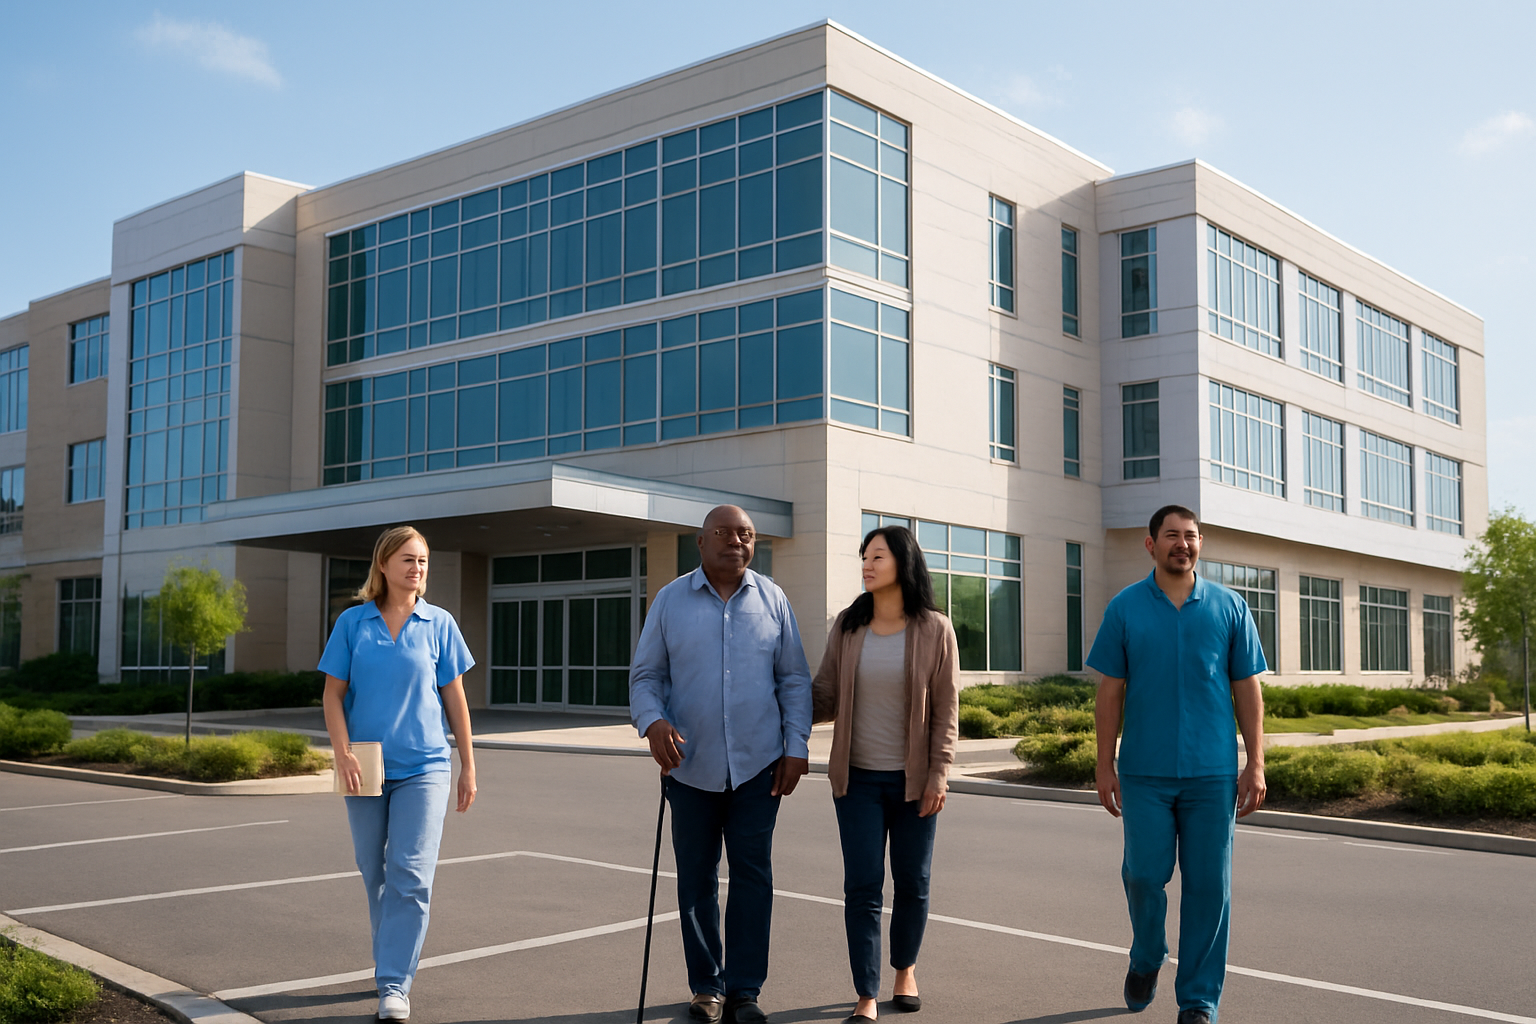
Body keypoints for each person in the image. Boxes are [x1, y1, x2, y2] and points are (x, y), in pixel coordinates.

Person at [629, 504, 813, 1024]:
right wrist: (652, 722)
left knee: (753, 876)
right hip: (690, 768)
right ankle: (706, 987)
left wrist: (796, 746)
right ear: (702, 542)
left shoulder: (773, 598)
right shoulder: (669, 601)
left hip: (760, 767)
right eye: (726, 533)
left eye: (748, 535)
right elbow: (646, 676)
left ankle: (746, 990)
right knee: (696, 879)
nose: (738, 541)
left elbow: (794, 679)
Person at [1087, 505, 1266, 1024]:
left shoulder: (1230, 607)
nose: (1181, 544)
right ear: (1151, 545)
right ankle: (1147, 955)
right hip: (1145, 772)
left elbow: (1247, 689)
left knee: (1210, 887)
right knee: (1144, 875)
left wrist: (1255, 762)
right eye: (1171, 536)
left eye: (1190, 536)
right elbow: (1110, 692)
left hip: (1213, 774)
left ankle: (1198, 1001)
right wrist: (1105, 764)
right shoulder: (1124, 608)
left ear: (1201, 543)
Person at [320, 525, 477, 1022]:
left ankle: (394, 984)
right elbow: (332, 695)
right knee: (375, 873)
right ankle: (391, 957)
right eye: (408, 560)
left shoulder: (440, 623)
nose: (417, 569)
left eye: (423, 561)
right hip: (365, 765)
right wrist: (342, 753)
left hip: (426, 766)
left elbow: (455, 697)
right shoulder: (352, 622)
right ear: (383, 565)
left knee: (410, 873)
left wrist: (468, 764)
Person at [811, 527, 959, 1023]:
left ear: (903, 562)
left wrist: (939, 773)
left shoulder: (936, 629)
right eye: (864, 557)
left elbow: (945, 711)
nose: (867, 565)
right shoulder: (849, 627)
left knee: (913, 882)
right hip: (856, 782)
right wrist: (774, 698)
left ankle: (905, 969)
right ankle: (866, 993)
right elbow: (825, 695)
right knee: (863, 885)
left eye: (878, 556)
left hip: (914, 782)